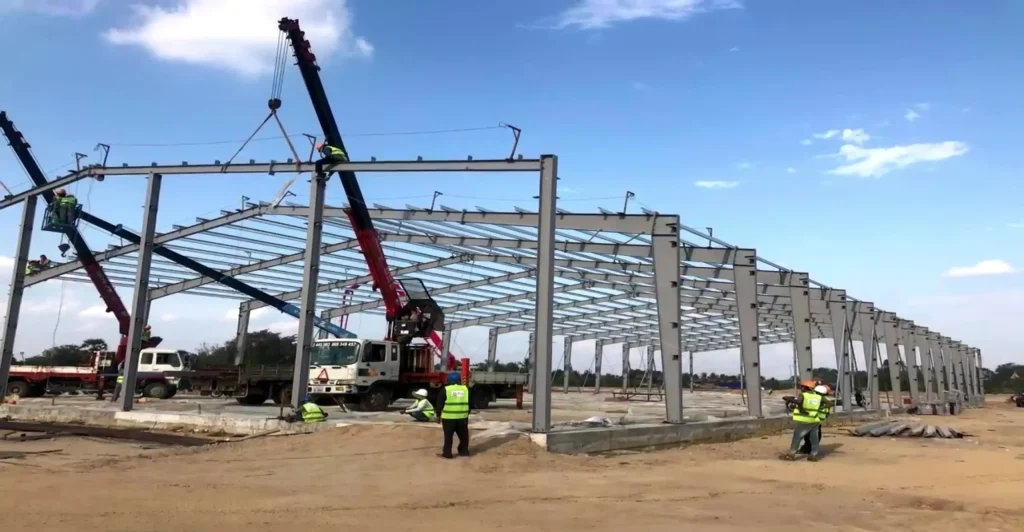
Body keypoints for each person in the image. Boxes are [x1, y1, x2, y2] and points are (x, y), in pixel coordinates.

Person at [781, 379, 825, 462]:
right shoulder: (818, 397)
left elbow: (798, 401)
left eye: (802, 386)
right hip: (815, 419)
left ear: (806, 387)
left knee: (797, 436)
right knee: (814, 438)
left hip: (805, 420)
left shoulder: (803, 395)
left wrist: (788, 398)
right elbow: (829, 403)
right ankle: (813, 455)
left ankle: (791, 454)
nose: (801, 388)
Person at [435, 374, 470, 459]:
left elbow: (439, 404)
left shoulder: (446, 390)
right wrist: (467, 413)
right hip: (462, 417)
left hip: (448, 418)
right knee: (463, 436)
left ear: (448, 380)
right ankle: (464, 451)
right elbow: (470, 403)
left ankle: (447, 453)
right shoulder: (466, 389)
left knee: (448, 436)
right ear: (459, 380)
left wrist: (438, 415)